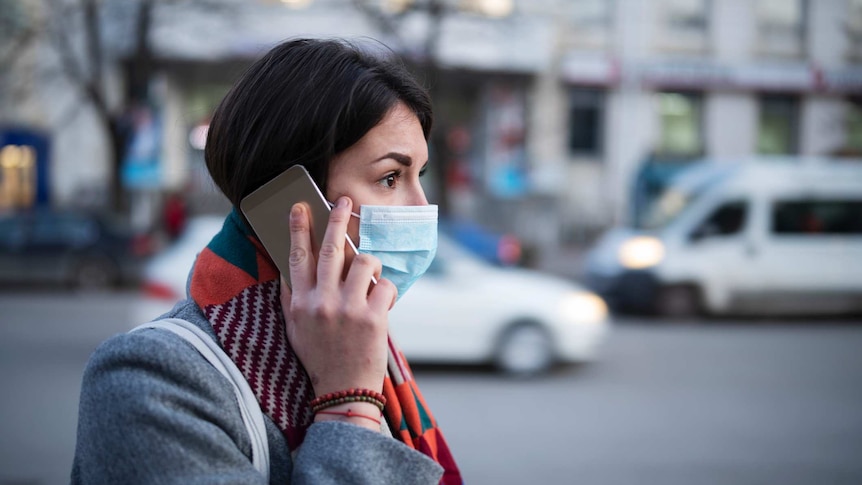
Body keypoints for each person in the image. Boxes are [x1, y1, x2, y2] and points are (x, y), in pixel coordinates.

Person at [71, 38, 462, 484]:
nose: (421, 207)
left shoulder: (363, 346)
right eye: (390, 177)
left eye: (419, 176)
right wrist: (347, 404)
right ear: (295, 203)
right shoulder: (150, 382)